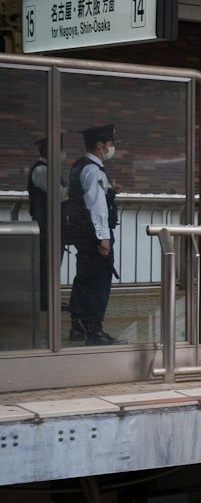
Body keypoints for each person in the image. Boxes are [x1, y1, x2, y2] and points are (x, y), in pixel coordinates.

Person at [61, 125, 122, 345]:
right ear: (99, 145)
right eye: (110, 144)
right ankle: (95, 331)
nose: (111, 148)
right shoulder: (95, 170)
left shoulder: (78, 166)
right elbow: (96, 206)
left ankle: (77, 327)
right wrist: (103, 237)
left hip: (81, 233)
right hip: (94, 235)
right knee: (98, 282)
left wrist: (109, 189)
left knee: (83, 279)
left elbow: (73, 196)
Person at [25, 137, 51, 313]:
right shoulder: (42, 170)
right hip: (45, 224)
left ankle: (47, 299)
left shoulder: (45, 169)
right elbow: (60, 195)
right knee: (45, 263)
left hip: (46, 223)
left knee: (47, 263)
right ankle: (44, 300)